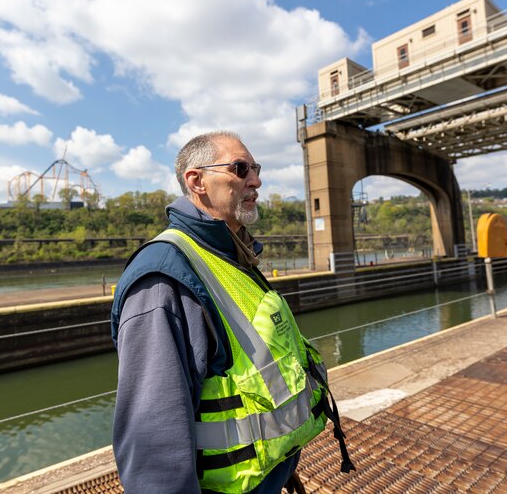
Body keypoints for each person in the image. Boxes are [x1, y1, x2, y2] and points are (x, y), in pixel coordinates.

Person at [111, 131, 352, 493]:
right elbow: (154, 453)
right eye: (240, 169)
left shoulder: (230, 255)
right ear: (197, 181)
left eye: (255, 168)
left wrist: (284, 468)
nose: (255, 180)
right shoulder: (163, 280)